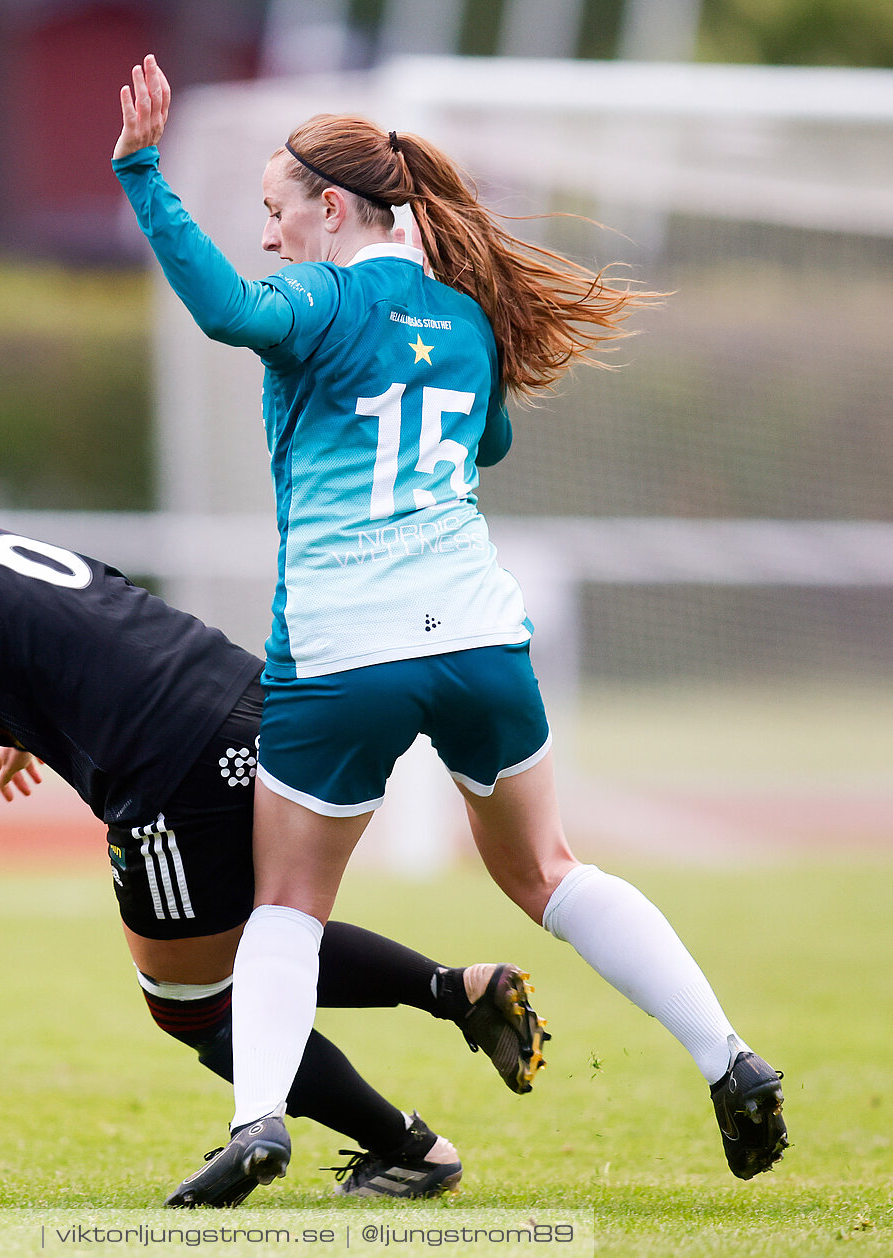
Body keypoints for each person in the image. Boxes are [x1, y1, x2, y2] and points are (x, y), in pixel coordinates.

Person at [109, 55, 788, 1207]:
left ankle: (259, 1119)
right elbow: (489, 450)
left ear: (334, 208)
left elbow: (228, 312)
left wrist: (141, 174)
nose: (268, 239)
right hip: (477, 638)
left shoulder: (326, 301)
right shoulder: (464, 319)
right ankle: (729, 1055)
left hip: (346, 652)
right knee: (547, 871)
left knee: (284, 902)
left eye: (272, 213)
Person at [0, 437, 551, 1202]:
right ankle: (456, 994)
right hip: (240, 696)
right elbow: (76, 597)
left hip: (165, 760)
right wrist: (26, 716)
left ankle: (405, 1146)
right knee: (269, 930)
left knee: (192, 1003)